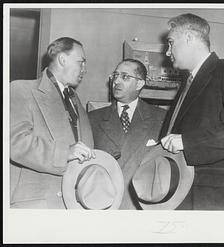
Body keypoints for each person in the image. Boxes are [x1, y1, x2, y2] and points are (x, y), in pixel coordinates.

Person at [160, 13, 224, 210]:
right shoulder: (187, 84)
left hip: (216, 198)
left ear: (189, 38)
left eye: (170, 43)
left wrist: (185, 141)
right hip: (183, 194)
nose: (168, 52)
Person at [10, 37, 95, 209]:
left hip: (74, 203)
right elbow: (14, 142)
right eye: (81, 62)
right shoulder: (20, 89)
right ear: (63, 59)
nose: (84, 70)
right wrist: (64, 153)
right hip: (37, 205)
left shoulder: (74, 99)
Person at [88, 59, 166, 209]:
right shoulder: (93, 118)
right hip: (104, 204)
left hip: (142, 205)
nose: (116, 81)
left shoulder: (161, 118)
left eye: (124, 77)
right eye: (115, 75)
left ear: (139, 84)